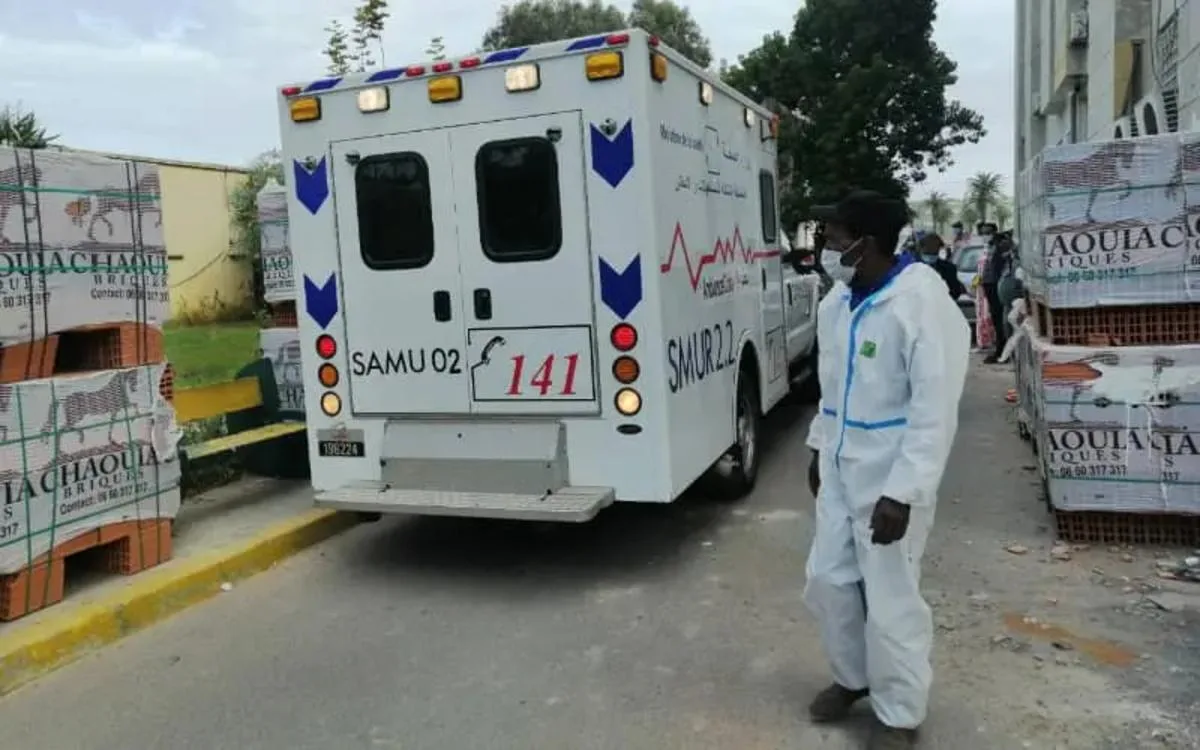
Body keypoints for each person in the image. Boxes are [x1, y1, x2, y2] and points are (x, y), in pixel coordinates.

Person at [803, 190, 970, 749]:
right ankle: (853, 678)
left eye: (833, 237)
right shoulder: (838, 302)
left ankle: (899, 714)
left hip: (890, 477)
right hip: (839, 468)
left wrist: (904, 492)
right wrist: (817, 446)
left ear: (865, 243)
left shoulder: (919, 302)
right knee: (828, 579)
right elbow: (830, 388)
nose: (825, 246)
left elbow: (934, 409)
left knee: (891, 596)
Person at [980, 229, 1013, 364]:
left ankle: (1002, 351)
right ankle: (1001, 350)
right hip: (993, 288)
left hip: (996, 289)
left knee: (1000, 321)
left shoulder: (1001, 250)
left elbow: (996, 271)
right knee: (998, 321)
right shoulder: (996, 250)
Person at [917, 233, 966, 299]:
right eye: (927, 252)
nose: (931, 255)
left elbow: (955, 291)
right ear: (920, 250)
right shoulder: (913, 269)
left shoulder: (949, 268)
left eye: (934, 252)